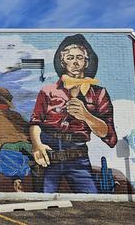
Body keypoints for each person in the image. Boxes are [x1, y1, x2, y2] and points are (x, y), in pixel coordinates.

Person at [29, 34, 117, 194]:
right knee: (43, 200)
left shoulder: (99, 93)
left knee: (92, 199)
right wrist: (37, 145)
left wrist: (86, 115)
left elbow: (109, 135)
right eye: (70, 58)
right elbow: (35, 123)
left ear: (86, 62)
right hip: (48, 155)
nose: (75, 62)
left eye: (79, 57)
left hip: (78, 157)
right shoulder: (48, 91)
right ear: (63, 62)